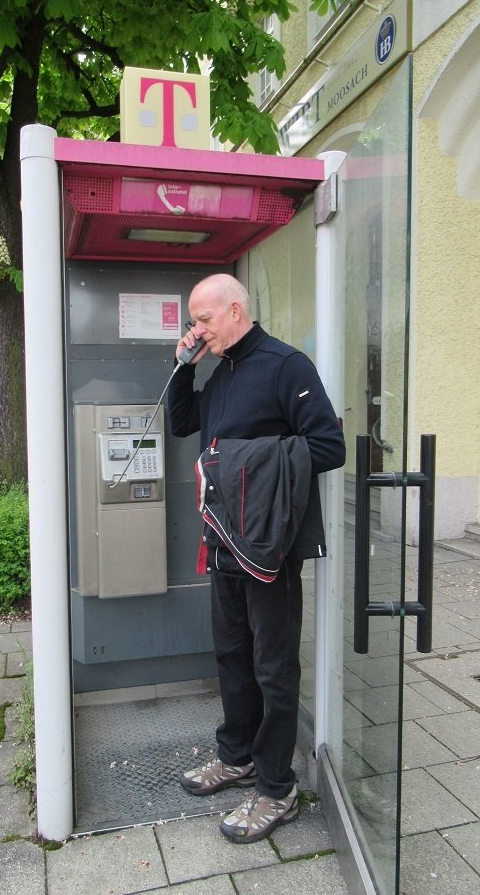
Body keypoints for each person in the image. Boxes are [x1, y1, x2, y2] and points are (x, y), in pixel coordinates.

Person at [169, 273, 346, 844]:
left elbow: (328, 446)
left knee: (273, 667)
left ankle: (277, 788)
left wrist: (241, 464)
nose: (198, 329)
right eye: (193, 321)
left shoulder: (285, 366)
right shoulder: (221, 371)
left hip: (270, 542)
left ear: (235, 311)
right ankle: (238, 757)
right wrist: (184, 368)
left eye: (204, 319)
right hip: (223, 536)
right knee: (231, 654)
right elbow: (183, 424)